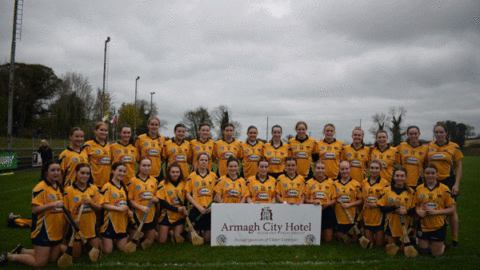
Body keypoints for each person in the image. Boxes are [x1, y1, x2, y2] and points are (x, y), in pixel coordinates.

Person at [0, 161, 65, 267]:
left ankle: (22, 251)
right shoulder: (40, 187)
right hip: (43, 230)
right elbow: (35, 210)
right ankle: (9, 256)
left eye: (58, 170)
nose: (56, 173)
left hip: (56, 230)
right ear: (46, 172)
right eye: (52, 170)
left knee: (52, 260)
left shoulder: (58, 186)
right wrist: (52, 204)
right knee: (40, 263)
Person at [427, 123, 463, 248]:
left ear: (446, 133)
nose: (438, 134)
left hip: (449, 182)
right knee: (435, 209)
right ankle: (437, 237)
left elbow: (458, 167)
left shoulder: (454, 147)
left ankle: (454, 240)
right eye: (436, 132)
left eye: (441, 132)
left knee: (451, 211)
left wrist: (456, 184)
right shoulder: (429, 146)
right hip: (433, 182)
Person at [415, 164, 456, 257]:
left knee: (436, 254)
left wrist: (436, 212)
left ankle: (442, 245)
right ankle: (433, 243)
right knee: (424, 251)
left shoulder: (444, 189)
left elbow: (452, 208)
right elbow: (416, 205)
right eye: (427, 173)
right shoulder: (419, 188)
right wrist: (418, 211)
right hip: (424, 225)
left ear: (437, 174)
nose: (430, 176)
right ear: (423, 174)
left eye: (432, 173)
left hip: (438, 226)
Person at [63, 163, 102, 257]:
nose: (85, 176)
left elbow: (99, 208)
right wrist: (72, 222)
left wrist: (90, 203)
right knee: (76, 255)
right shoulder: (68, 190)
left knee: (96, 255)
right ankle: (56, 247)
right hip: (76, 229)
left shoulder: (93, 188)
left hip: (90, 229)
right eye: (82, 173)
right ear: (76, 173)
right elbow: (65, 211)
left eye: (87, 173)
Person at [377, 167, 415, 247]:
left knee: (401, 250)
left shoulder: (411, 192)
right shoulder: (387, 190)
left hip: (405, 226)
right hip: (391, 226)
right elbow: (382, 208)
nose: (399, 178)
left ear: (406, 177)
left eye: (402, 176)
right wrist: (394, 207)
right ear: (393, 177)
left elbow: (415, 209)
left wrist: (406, 212)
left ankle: (411, 238)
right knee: (392, 248)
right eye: (397, 176)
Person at [100, 162, 133, 253]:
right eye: (120, 171)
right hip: (110, 223)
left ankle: (118, 239)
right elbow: (103, 205)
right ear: (113, 171)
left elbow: (124, 204)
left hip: (122, 223)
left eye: (124, 171)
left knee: (123, 249)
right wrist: (118, 209)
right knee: (107, 251)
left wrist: (129, 211)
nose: (122, 173)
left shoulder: (124, 187)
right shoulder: (107, 186)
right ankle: (97, 241)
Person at [127, 157, 159, 249]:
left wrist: (156, 199)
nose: (146, 168)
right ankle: (128, 233)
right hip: (137, 215)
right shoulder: (132, 181)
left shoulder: (154, 180)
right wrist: (141, 207)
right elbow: (130, 200)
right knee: (135, 244)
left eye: (148, 165)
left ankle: (150, 233)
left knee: (148, 244)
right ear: (139, 167)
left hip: (150, 215)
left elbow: (158, 197)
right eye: (144, 165)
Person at [185, 153, 218, 242]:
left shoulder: (213, 176)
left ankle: (203, 231)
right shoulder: (192, 176)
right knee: (190, 239)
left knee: (207, 239)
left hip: (208, 210)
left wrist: (212, 206)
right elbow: (187, 194)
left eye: (206, 160)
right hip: (196, 209)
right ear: (197, 162)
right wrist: (198, 207)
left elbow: (218, 194)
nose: (203, 162)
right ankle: (199, 230)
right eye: (201, 160)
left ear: (208, 162)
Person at [156, 163, 188, 243]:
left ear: (180, 173)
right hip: (167, 214)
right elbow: (162, 202)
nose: (175, 174)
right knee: (162, 241)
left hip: (179, 215)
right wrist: (176, 209)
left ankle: (172, 231)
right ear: (169, 173)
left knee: (179, 241)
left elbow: (185, 201)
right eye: (173, 172)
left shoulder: (183, 184)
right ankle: (170, 230)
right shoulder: (163, 183)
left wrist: (185, 210)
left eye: (177, 172)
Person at [305, 161, 337, 242]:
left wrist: (327, 203)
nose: (320, 170)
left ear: (325, 169)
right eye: (318, 168)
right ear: (314, 169)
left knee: (328, 240)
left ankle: (324, 229)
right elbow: (306, 199)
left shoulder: (330, 182)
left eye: (322, 168)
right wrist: (312, 202)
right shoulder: (309, 182)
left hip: (326, 210)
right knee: (315, 239)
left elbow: (334, 199)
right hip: (313, 210)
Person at [361, 160, 390, 246]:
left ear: (380, 169)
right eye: (372, 168)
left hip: (379, 215)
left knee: (379, 244)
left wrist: (375, 205)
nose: (374, 170)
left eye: (377, 168)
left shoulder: (385, 183)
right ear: (369, 169)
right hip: (367, 215)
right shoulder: (364, 182)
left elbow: (385, 201)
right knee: (369, 244)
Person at [334, 161, 362, 242]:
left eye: (346, 169)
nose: (344, 171)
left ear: (350, 169)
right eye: (342, 169)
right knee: (341, 240)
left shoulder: (356, 184)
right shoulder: (335, 184)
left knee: (353, 240)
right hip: (339, 216)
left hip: (352, 216)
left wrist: (350, 205)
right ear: (339, 170)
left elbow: (361, 200)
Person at [135, 116, 166, 181]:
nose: (154, 127)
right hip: (143, 173)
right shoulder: (140, 138)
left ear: (159, 126)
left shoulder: (162, 139)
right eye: (152, 124)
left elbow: (163, 157)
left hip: (157, 173)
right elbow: (137, 157)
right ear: (148, 125)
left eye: (156, 125)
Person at [83, 122, 111, 188]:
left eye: (105, 130)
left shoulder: (109, 145)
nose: (103, 132)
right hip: (93, 182)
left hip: (106, 182)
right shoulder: (88, 144)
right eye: (101, 130)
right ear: (95, 131)